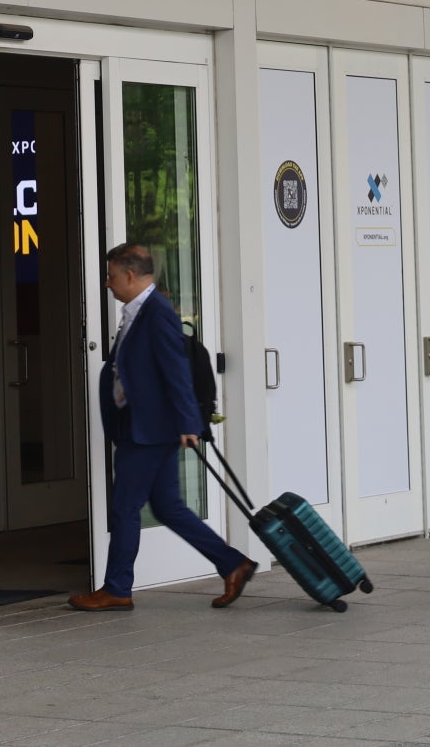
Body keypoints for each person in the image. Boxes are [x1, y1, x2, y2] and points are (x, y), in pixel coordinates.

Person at [68, 242, 257, 612]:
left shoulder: (156, 312)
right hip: (144, 425)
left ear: (129, 275)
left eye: (110, 276)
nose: (107, 283)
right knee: (168, 507)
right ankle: (233, 564)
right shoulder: (139, 311)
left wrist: (188, 421)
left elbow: (176, 370)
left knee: (125, 508)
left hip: (149, 430)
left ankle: (117, 588)